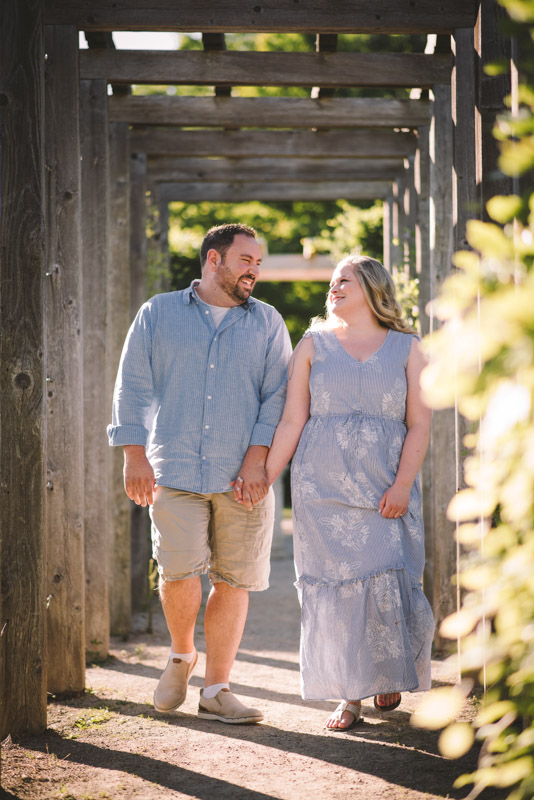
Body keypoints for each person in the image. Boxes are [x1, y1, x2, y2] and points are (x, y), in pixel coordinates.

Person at [108, 223, 292, 724]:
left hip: (243, 476)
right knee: (179, 571)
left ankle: (216, 689)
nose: (255, 270)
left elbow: (277, 396)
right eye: (246, 260)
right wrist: (133, 454)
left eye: (258, 262)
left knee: (233, 580)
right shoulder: (158, 313)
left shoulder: (269, 322)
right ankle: (181, 654)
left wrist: (257, 460)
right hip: (176, 467)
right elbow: (133, 385)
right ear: (214, 259)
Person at [253, 254, 435, 730]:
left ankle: (389, 670)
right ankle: (348, 696)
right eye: (332, 282)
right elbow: (294, 419)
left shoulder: (408, 348)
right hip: (322, 488)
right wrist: (267, 476)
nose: (334, 287)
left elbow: (419, 425)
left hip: (383, 487)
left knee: (387, 578)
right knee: (334, 590)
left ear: (373, 288)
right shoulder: (312, 343)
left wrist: (401, 485)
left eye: (344, 280)